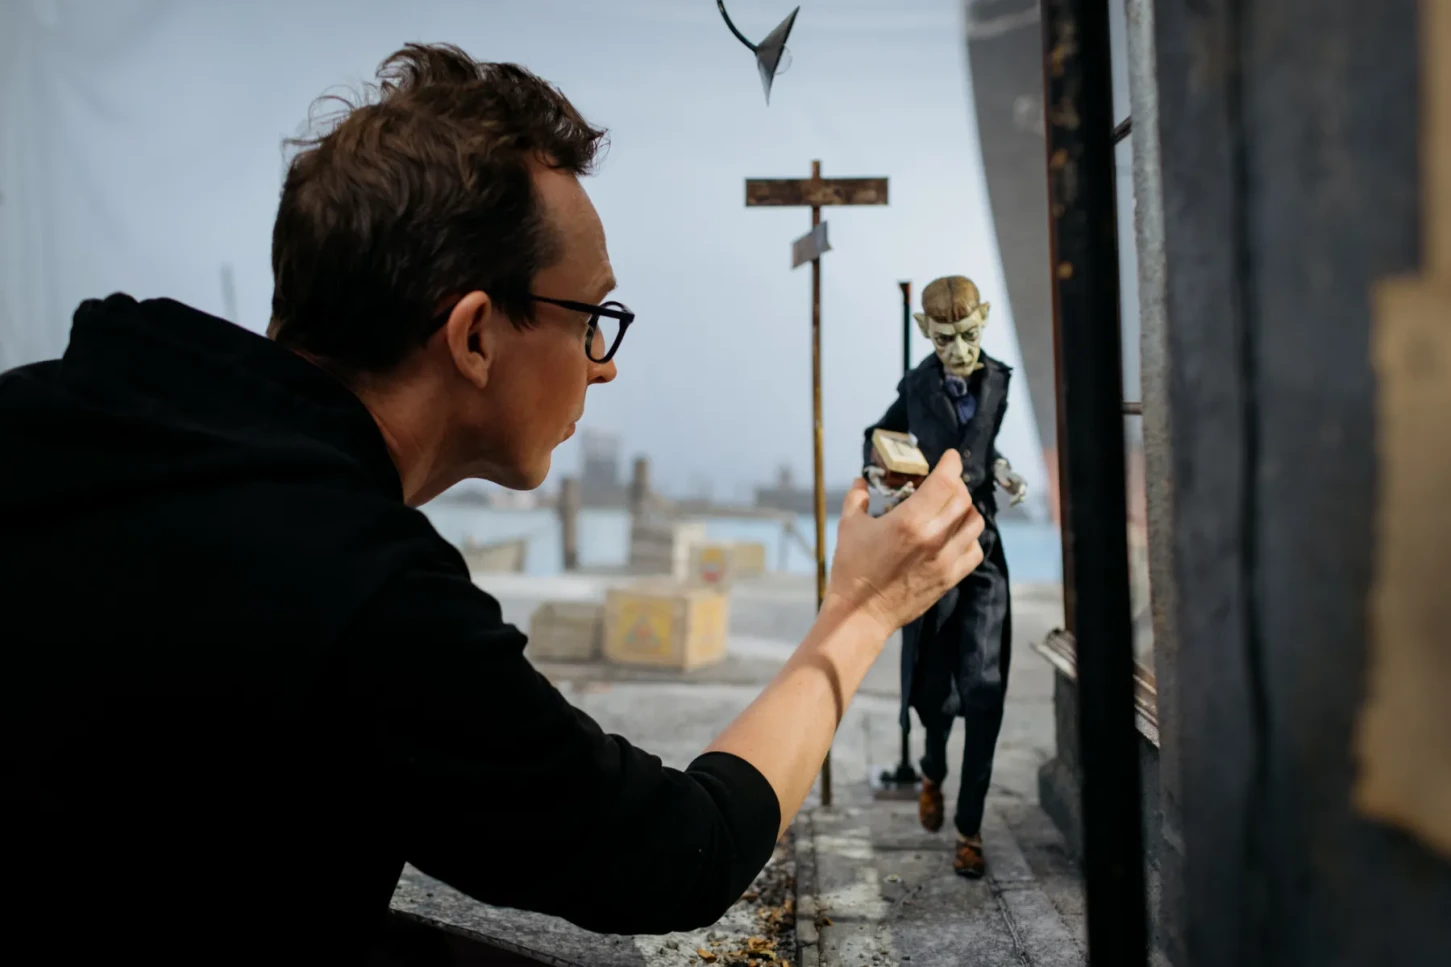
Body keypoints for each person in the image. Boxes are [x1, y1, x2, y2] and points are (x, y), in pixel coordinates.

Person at [0, 44, 985, 963]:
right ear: (474, 336)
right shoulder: (366, 592)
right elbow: (676, 853)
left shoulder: (49, 412)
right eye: (592, 318)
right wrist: (862, 608)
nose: (601, 367)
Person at [861, 275, 1026, 878]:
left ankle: (969, 828)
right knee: (935, 690)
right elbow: (877, 436)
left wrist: (1002, 469)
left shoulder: (998, 380)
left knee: (984, 690)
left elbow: (982, 444)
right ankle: (932, 770)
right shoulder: (917, 385)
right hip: (932, 550)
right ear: (925, 332)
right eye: (945, 339)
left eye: (969, 335)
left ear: (984, 320)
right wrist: (887, 477)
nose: (959, 350)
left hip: (982, 546)